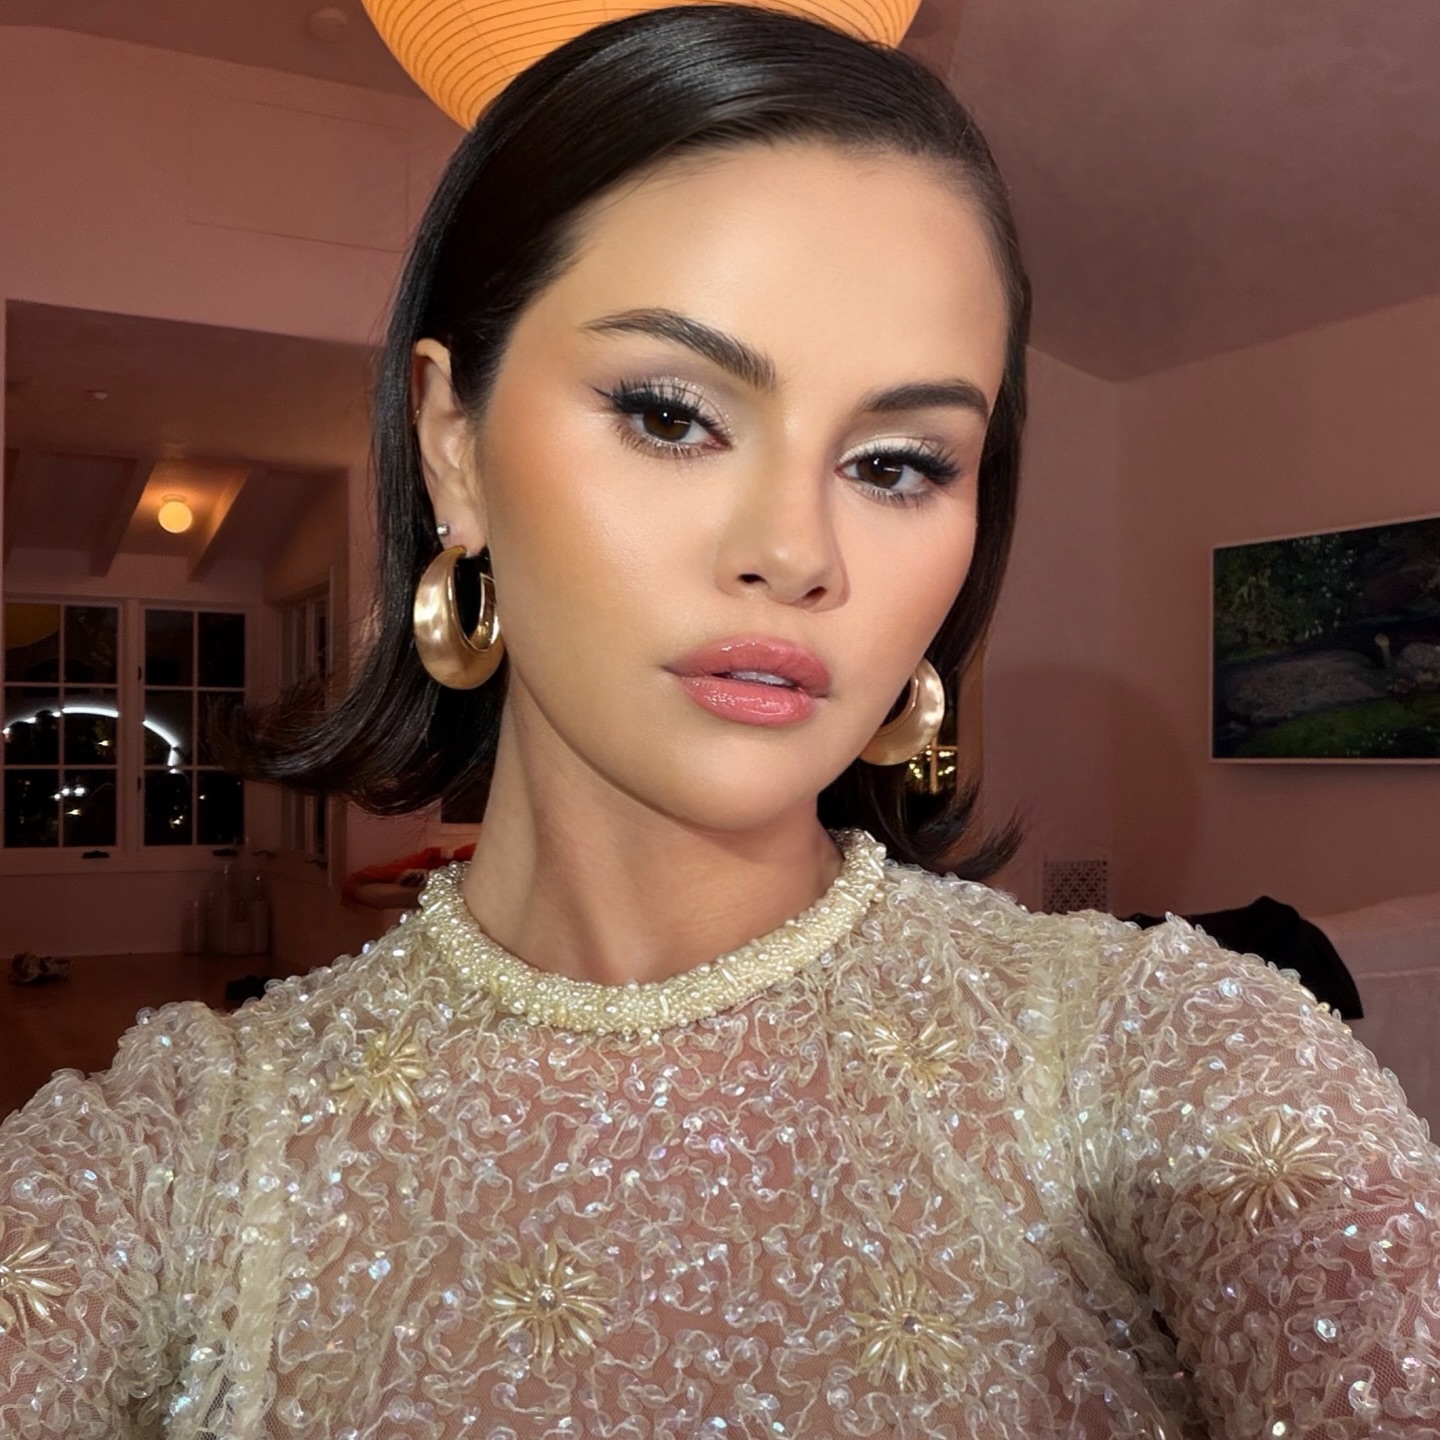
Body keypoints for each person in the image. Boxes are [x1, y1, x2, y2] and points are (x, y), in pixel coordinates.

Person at [2, 6, 1438, 1436]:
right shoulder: (176, 1163)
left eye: (895, 463)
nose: (795, 552)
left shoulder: (1175, 1063)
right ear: (454, 447)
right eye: (671, 415)